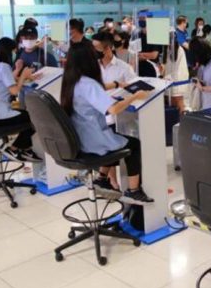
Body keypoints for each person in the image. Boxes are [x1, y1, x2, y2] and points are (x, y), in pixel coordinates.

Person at [60, 42, 153, 203]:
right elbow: (113, 109)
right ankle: (134, 190)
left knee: (115, 138)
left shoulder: (72, 80)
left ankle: (102, 178)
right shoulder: (89, 84)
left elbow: (95, 91)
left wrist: (117, 84)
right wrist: (135, 96)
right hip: (92, 140)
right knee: (133, 144)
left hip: (80, 137)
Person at [0, 37, 42, 163]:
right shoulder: (3, 66)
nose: (15, 54)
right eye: (14, 51)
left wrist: (19, 71)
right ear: (8, 51)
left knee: (26, 114)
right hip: (0, 115)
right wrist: (23, 76)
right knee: (33, 117)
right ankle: (14, 148)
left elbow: (6, 80)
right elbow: (14, 91)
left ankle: (25, 149)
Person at [92, 31, 137, 192]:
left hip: (118, 117)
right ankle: (112, 182)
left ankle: (106, 180)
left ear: (108, 48)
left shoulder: (124, 68)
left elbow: (133, 89)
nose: (93, 51)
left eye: (97, 48)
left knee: (119, 144)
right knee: (112, 145)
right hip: (97, 118)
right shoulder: (92, 68)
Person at [162, 33, 189, 114]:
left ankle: (182, 119)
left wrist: (172, 78)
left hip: (178, 80)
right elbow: (167, 65)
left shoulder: (179, 50)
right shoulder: (167, 49)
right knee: (170, 101)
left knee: (178, 102)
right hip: (169, 79)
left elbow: (181, 68)